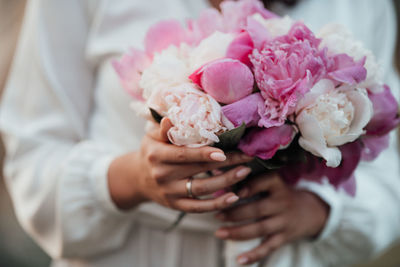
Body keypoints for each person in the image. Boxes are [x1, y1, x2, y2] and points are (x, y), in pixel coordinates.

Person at [0, 0, 399, 267]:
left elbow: (389, 172)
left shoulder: (361, 7)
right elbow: (32, 155)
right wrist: (133, 179)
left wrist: (318, 210)